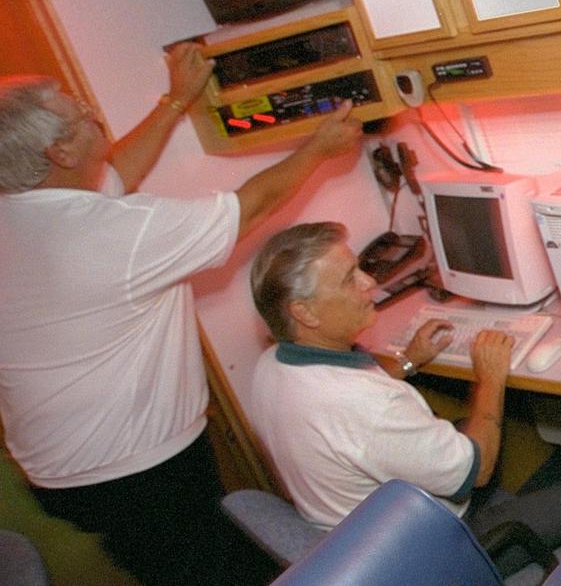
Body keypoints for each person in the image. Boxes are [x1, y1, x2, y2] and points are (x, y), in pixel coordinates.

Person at [0, 44, 363, 585]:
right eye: (82, 115)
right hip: (139, 476)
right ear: (60, 151)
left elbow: (113, 171)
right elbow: (252, 206)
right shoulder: (109, 233)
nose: (94, 116)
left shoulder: (25, 210)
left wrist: (175, 101)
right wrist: (320, 148)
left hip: (56, 472)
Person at [247, 222, 561, 580]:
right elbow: (476, 469)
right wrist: (490, 377)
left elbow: (353, 420)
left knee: (461, 424)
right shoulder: (362, 405)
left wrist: (409, 361)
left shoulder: (272, 365)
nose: (369, 282)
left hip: (357, 538)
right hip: (429, 556)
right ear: (305, 313)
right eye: (348, 279)